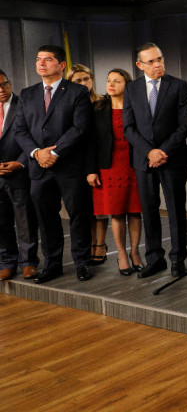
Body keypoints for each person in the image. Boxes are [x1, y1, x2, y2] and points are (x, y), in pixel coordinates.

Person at [13, 45, 94, 283]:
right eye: (38, 59)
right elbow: (20, 130)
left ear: (61, 65)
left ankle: (82, 263)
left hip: (69, 166)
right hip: (39, 167)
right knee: (46, 219)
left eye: (48, 60)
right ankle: (53, 264)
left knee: (78, 216)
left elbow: (80, 128)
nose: (41, 63)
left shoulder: (77, 92)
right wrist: (37, 153)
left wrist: (54, 153)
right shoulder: (27, 94)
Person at [123, 42, 187, 278]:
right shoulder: (132, 89)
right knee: (149, 211)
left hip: (172, 159)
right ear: (140, 65)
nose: (157, 64)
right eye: (151, 61)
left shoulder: (179, 86)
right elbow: (128, 128)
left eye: (159, 59)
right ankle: (154, 258)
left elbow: (184, 126)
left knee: (175, 210)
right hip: (144, 161)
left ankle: (178, 259)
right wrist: (149, 151)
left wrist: (162, 151)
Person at [86, 68, 143, 276]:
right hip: (108, 166)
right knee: (117, 212)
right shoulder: (98, 108)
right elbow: (90, 142)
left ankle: (135, 252)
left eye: (117, 81)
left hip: (134, 165)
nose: (111, 84)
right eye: (109, 80)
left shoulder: (137, 106)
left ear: (127, 85)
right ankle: (121, 254)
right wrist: (91, 170)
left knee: (135, 212)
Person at [0, 70, 39, 281]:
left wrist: (20, 162)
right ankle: (7, 262)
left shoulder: (23, 104)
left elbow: (33, 136)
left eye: (4, 84)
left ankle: (28, 262)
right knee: (2, 222)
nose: (1, 90)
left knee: (25, 220)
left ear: (10, 82)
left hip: (19, 171)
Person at [67, 63, 107, 265]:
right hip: (77, 160)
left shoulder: (102, 102)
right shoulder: (69, 102)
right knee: (85, 208)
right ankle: (90, 243)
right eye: (78, 80)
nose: (83, 83)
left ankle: (100, 244)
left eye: (86, 79)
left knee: (100, 206)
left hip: (101, 159)